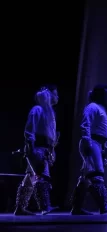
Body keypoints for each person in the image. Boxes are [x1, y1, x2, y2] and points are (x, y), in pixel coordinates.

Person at [70, 84, 107, 215]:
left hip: (98, 143)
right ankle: (103, 205)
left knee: (86, 176)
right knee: (97, 173)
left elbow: (105, 132)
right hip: (92, 142)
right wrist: (87, 143)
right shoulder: (92, 107)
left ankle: (76, 207)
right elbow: (85, 125)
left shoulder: (104, 110)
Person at [14, 86, 60, 215]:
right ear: (49, 95)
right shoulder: (38, 110)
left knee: (31, 177)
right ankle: (44, 206)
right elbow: (30, 130)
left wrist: (51, 149)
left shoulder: (49, 113)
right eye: (55, 94)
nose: (57, 97)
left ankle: (20, 207)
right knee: (41, 177)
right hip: (37, 148)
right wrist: (31, 146)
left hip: (44, 148)